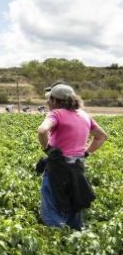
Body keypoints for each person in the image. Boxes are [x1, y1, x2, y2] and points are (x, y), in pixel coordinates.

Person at [36, 84, 107, 230]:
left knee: (51, 211)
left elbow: (42, 130)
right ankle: (76, 242)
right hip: (77, 169)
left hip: (58, 169)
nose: (48, 103)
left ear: (56, 100)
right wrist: (86, 153)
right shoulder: (84, 115)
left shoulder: (56, 114)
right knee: (74, 205)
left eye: (50, 99)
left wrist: (48, 149)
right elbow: (101, 136)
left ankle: (59, 243)